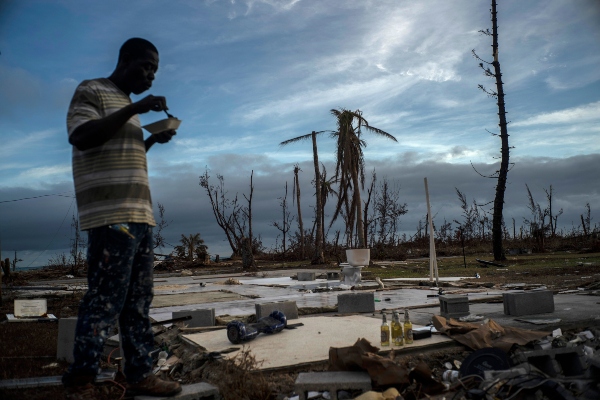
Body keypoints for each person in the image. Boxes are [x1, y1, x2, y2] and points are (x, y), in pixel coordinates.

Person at [62, 38, 181, 399]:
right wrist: (135, 110)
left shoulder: (130, 106)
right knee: (105, 299)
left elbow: (118, 151)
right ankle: (81, 381)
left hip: (139, 214)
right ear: (125, 59)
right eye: (146, 66)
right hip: (111, 216)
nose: (150, 75)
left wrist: (150, 141)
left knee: (138, 301)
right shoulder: (93, 90)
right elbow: (81, 136)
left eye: (155, 71)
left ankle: (141, 373)